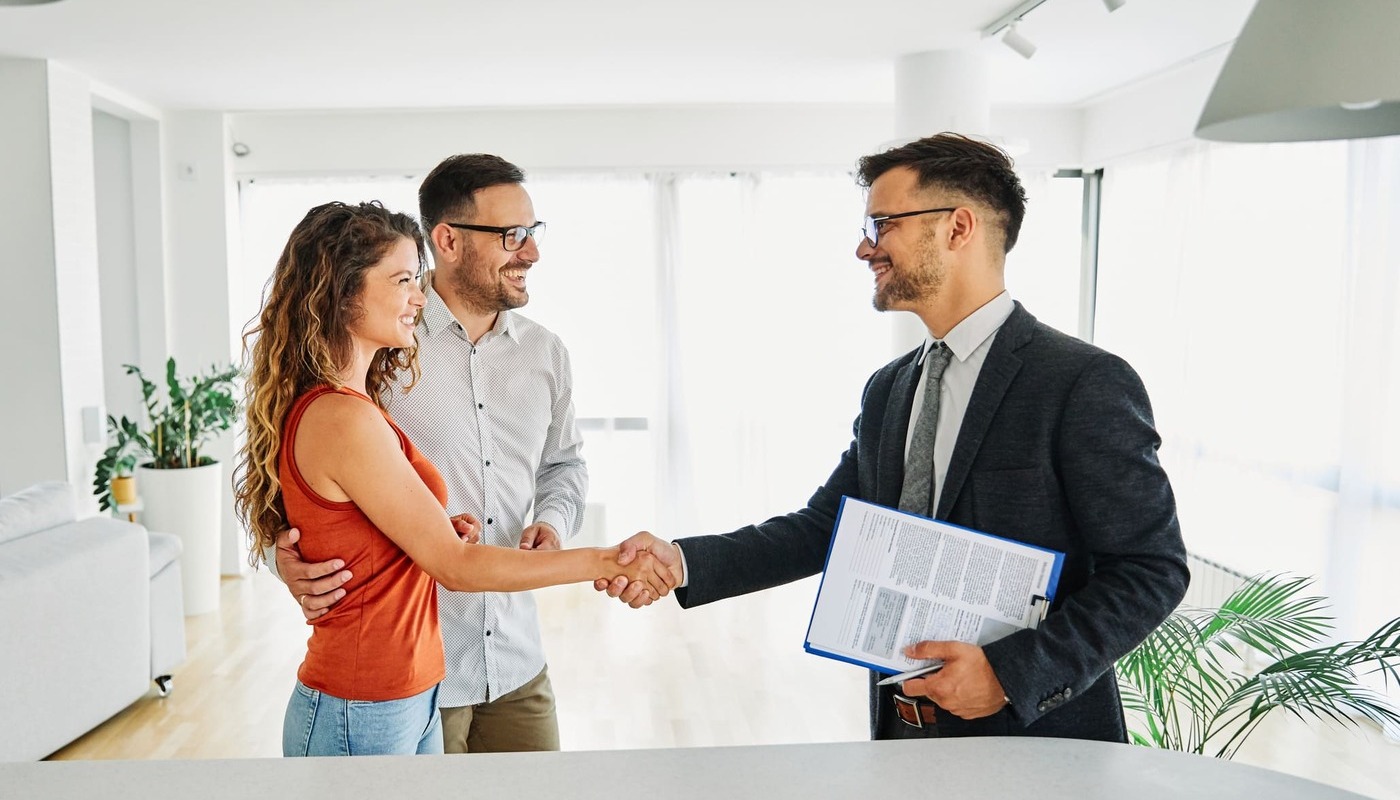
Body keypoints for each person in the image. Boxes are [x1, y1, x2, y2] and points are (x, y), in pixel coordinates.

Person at [602, 132, 1189, 742]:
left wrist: (1010, 674)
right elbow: (829, 525)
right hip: (903, 731)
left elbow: (1152, 568)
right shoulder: (890, 388)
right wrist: (684, 560)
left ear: (958, 228)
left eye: (882, 224)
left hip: (1036, 737)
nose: (864, 247)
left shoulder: (1082, 381)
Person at [235, 201, 669, 757]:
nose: (418, 296)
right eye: (402, 281)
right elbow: (456, 567)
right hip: (364, 704)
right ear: (343, 294)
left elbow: (376, 528)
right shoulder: (343, 416)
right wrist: (607, 561)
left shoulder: (360, 402)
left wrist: (435, 526)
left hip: (415, 688)